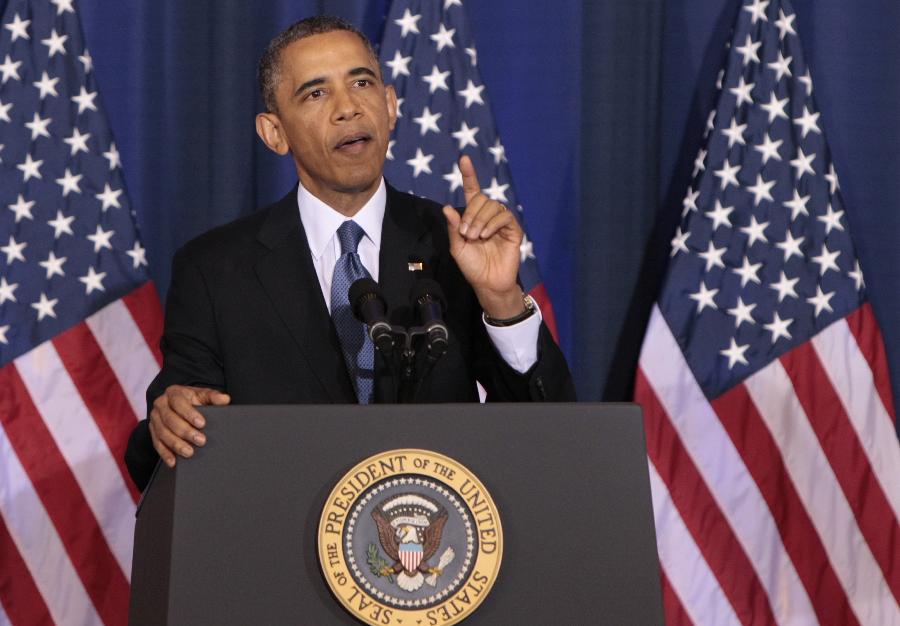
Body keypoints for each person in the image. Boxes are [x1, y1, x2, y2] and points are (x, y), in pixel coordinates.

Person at [124, 16, 575, 491]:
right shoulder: (214, 270)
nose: (348, 109)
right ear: (274, 133)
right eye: (316, 94)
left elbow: (551, 431)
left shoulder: (455, 244)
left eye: (361, 82)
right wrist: (168, 423)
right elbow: (158, 454)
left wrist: (502, 300)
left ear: (390, 105)